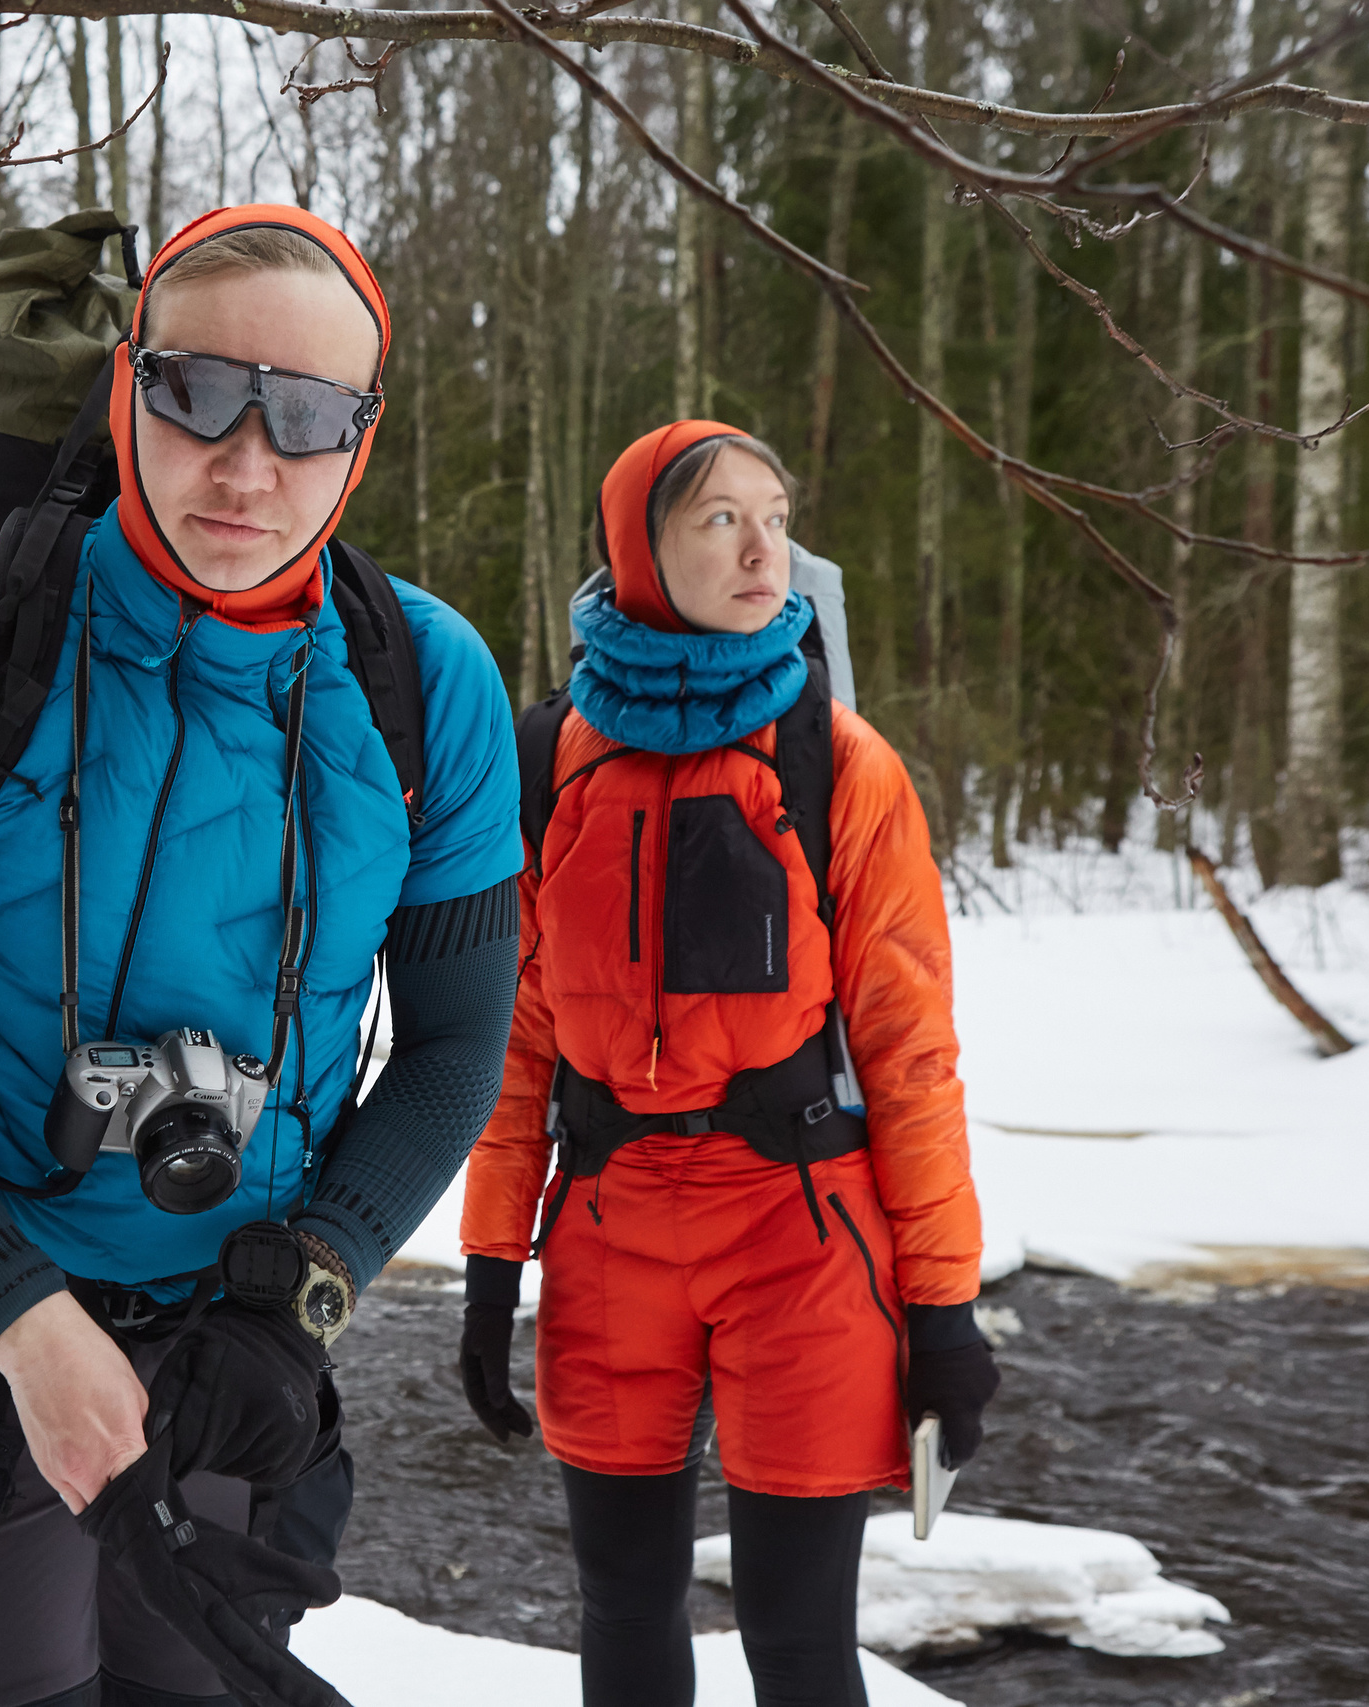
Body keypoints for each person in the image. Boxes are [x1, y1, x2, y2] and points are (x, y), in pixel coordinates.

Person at [0, 204, 523, 1707]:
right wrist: (20, 1318)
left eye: (305, 415)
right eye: (199, 392)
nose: (247, 464)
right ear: (128, 385)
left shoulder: (430, 684)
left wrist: (305, 1290)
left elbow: (454, 1048)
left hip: (239, 1344)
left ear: (362, 437)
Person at [455, 421, 1000, 1706]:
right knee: (625, 1610)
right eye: (718, 519)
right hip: (608, 1232)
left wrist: (944, 1310)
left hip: (800, 1238)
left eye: (775, 514)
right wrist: (487, 1271)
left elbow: (911, 1054)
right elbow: (517, 1040)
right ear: (640, 547)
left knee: (798, 1641)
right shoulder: (550, 762)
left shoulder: (839, 766)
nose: (765, 548)